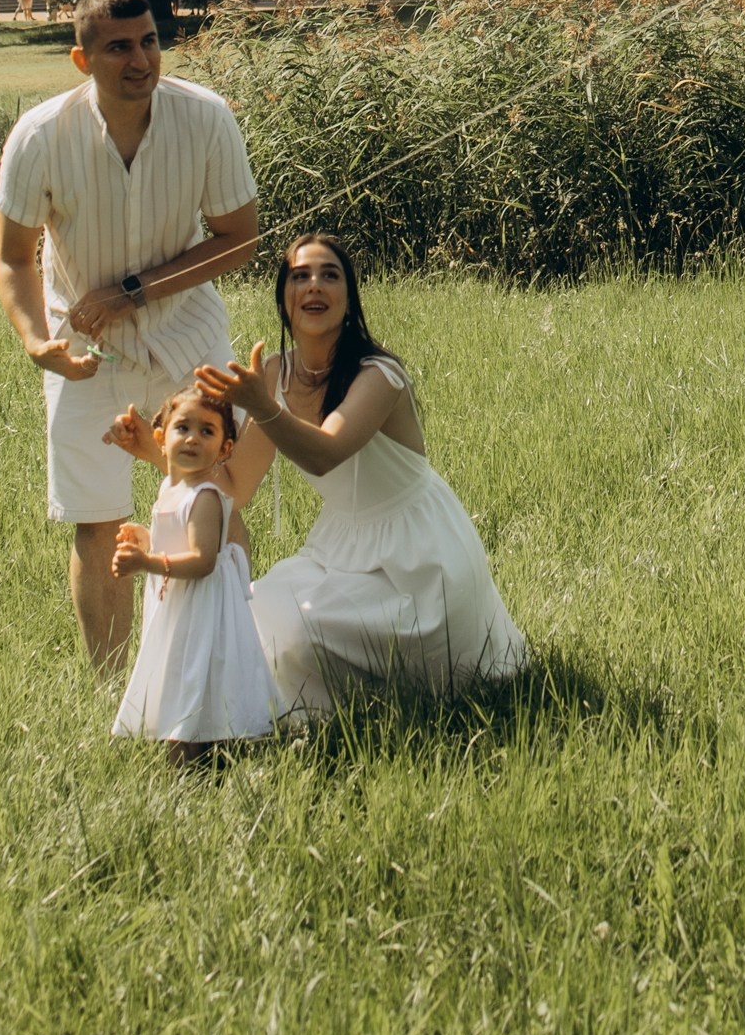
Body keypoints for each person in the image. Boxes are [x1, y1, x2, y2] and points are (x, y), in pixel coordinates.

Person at [0, 0, 260, 665]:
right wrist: (36, 341)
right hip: (85, 348)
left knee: (217, 496)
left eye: (149, 42)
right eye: (118, 48)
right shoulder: (39, 136)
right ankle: (111, 686)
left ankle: (229, 665)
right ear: (82, 60)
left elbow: (240, 239)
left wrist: (132, 292)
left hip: (187, 331)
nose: (140, 61)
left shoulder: (205, 118)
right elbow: (14, 258)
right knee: (97, 518)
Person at [196, 234, 528, 716]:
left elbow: (326, 453)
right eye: (300, 276)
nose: (314, 285)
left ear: (349, 301)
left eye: (330, 275)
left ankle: (368, 707)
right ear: (283, 300)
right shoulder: (274, 374)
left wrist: (263, 408)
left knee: (299, 633)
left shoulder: (379, 373)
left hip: (420, 560)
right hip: (341, 545)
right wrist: (159, 452)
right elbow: (233, 486)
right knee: (257, 610)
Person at [110, 383, 277, 761]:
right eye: (183, 427)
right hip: (180, 602)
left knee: (199, 671)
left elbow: (202, 561)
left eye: (207, 431)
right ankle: (190, 744)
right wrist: (148, 539)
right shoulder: (171, 487)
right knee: (179, 669)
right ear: (160, 438)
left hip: (202, 605)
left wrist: (146, 563)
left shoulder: (204, 497)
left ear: (225, 449)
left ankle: (199, 749)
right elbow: (178, 540)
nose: (192, 438)